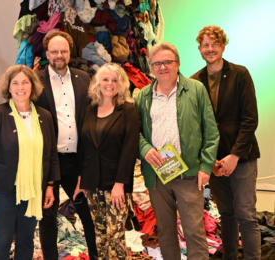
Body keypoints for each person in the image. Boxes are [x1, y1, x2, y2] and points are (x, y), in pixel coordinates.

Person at [134, 42, 219, 260]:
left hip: (189, 174)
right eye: (157, 63)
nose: (162, 67)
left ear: (178, 64)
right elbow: (135, 133)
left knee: (194, 232)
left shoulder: (196, 89)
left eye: (168, 62)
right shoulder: (142, 96)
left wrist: (206, 166)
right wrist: (144, 149)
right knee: (165, 232)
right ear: (152, 67)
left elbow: (211, 131)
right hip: (157, 175)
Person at [0, 65, 60, 260]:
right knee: (2, 241)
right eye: (15, 82)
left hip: (33, 191)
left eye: (25, 82)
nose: (20, 87)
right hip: (3, 191)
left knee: (26, 241)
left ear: (32, 86)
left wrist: (49, 186)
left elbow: (51, 156)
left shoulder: (44, 117)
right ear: (8, 87)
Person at [191, 25, 261, 260]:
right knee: (227, 214)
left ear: (223, 45)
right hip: (215, 161)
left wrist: (234, 156)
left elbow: (250, 119)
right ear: (199, 48)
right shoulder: (195, 81)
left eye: (215, 44)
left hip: (242, 156)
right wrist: (208, 162)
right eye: (205, 45)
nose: (210, 49)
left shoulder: (240, 74)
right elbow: (196, 127)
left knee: (246, 215)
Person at [35, 31, 97, 260]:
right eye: (54, 51)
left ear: (70, 52)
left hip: (77, 161)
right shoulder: (35, 81)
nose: (59, 55)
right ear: (47, 53)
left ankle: (95, 256)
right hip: (48, 161)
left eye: (63, 51)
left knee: (88, 214)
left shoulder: (84, 78)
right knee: (47, 217)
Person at [73, 63, 140, 260]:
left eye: (114, 80)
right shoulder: (89, 110)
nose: (109, 83)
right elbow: (83, 148)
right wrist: (80, 181)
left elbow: (130, 149)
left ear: (121, 84)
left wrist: (120, 184)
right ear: (97, 83)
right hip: (92, 182)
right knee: (100, 234)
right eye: (105, 79)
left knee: (115, 235)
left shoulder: (128, 110)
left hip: (116, 184)